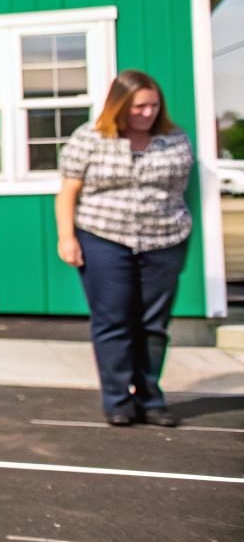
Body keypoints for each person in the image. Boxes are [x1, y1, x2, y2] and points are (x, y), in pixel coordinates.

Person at [55, 69, 195, 427]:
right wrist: (66, 237)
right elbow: (68, 192)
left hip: (164, 239)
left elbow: (179, 190)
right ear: (119, 106)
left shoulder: (174, 139)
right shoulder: (89, 138)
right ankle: (118, 399)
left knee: (153, 324)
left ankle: (150, 398)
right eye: (137, 107)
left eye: (152, 105)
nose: (146, 113)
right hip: (104, 237)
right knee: (112, 319)